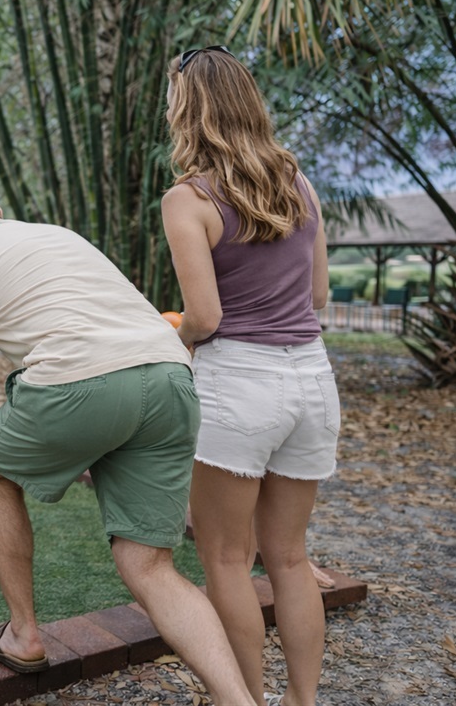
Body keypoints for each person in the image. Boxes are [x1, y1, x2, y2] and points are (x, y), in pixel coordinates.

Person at [0, 166, 254, 705]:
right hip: (172, 376)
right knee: (149, 565)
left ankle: (23, 634)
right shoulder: (58, 235)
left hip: (81, 381)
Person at [160, 45, 339, 706]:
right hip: (313, 383)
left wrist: (168, 333)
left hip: (239, 385)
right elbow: (318, 295)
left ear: (188, 109)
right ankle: (302, 700)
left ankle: (247, 704)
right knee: (289, 558)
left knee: (227, 560)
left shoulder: (188, 199)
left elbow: (203, 315)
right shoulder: (298, 181)